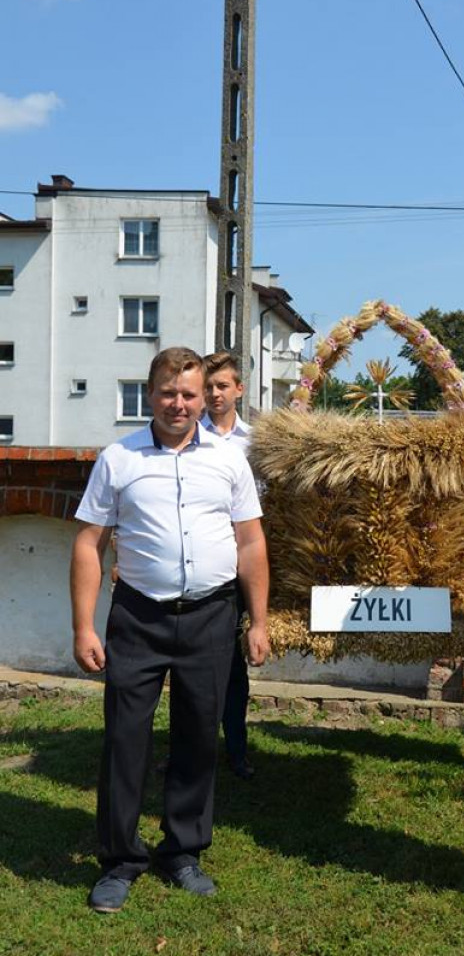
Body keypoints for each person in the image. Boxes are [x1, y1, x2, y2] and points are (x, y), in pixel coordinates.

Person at [71, 346, 269, 914]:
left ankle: (182, 852)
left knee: (198, 736)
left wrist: (257, 620)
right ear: (150, 392)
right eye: (168, 392)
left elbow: (251, 540)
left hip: (211, 616)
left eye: (190, 393)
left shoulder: (230, 461)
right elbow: (89, 543)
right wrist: (84, 625)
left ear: (204, 394)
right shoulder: (119, 458)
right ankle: (120, 860)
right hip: (137, 617)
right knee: (125, 739)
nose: (179, 403)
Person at [202, 351, 256, 780]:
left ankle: (236, 750)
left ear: (239, 389)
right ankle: (189, 748)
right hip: (198, 566)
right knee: (189, 668)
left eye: (222, 386)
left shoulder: (255, 443)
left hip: (237, 568)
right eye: (209, 386)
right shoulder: (186, 437)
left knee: (233, 666)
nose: (215, 394)